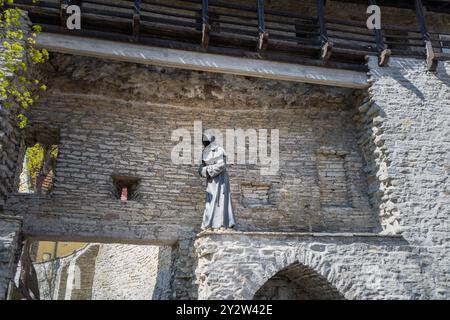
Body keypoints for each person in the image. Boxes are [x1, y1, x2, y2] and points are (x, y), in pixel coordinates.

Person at [198, 132, 235, 230]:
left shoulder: (219, 150)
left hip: (220, 179)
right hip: (211, 181)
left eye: (207, 140)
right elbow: (201, 168)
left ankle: (222, 224)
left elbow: (221, 165)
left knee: (220, 200)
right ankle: (209, 224)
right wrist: (203, 170)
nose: (205, 143)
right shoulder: (204, 153)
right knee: (210, 201)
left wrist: (208, 170)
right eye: (204, 141)